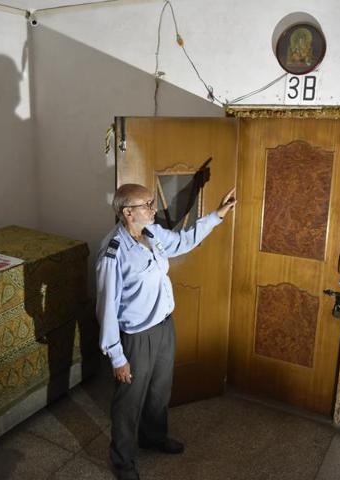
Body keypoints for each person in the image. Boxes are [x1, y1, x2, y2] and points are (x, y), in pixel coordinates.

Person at [96, 183, 237, 480]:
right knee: (129, 400)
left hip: (163, 326)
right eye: (147, 205)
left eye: (151, 203)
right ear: (127, 212)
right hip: (136, 337)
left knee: (159, 390)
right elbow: (106, 307)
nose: (153, 209)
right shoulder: (114, 252)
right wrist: (117, 357)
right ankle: (122, 461)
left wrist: (217, 215)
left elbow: (182, 242)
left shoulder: (151, 233)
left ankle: (153, 438)